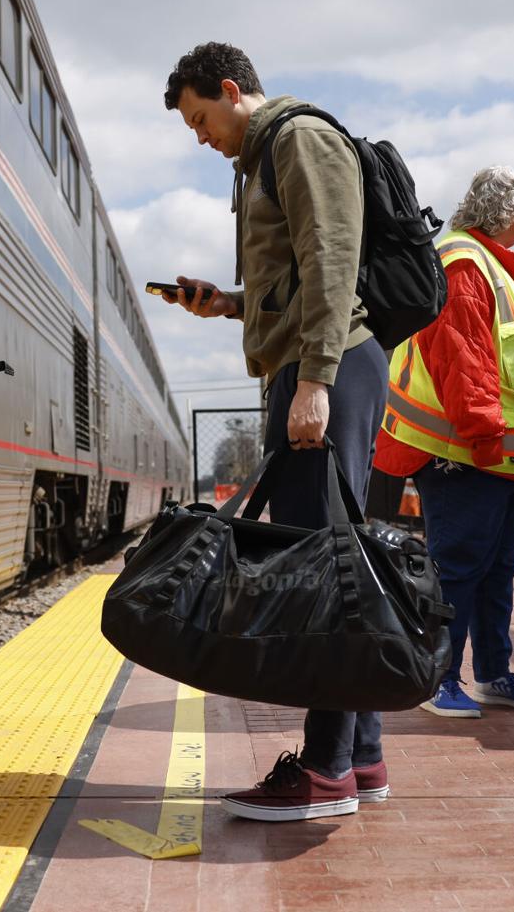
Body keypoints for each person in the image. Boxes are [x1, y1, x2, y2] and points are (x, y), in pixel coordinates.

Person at [161, 42, 389, 821]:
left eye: (200, 117)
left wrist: (317, 379)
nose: (200, 135)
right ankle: (359, 754)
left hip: (328, 365)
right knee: (334, 559)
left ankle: (324, 768)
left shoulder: (297, 138)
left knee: (321, 570)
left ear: (231, 90)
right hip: (306, 362)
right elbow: (292, 274)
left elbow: (333, 259)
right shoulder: (258, 157)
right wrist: (224, 303)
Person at [375, 166, 514, 717]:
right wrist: (484, 436)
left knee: (496, 565)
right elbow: (463, 359)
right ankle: (440, 680)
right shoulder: (465, 261)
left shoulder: (484, 262)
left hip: (496, 454)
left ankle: (492, 673)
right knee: (458, 567)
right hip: (468, 451)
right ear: (508, 212)